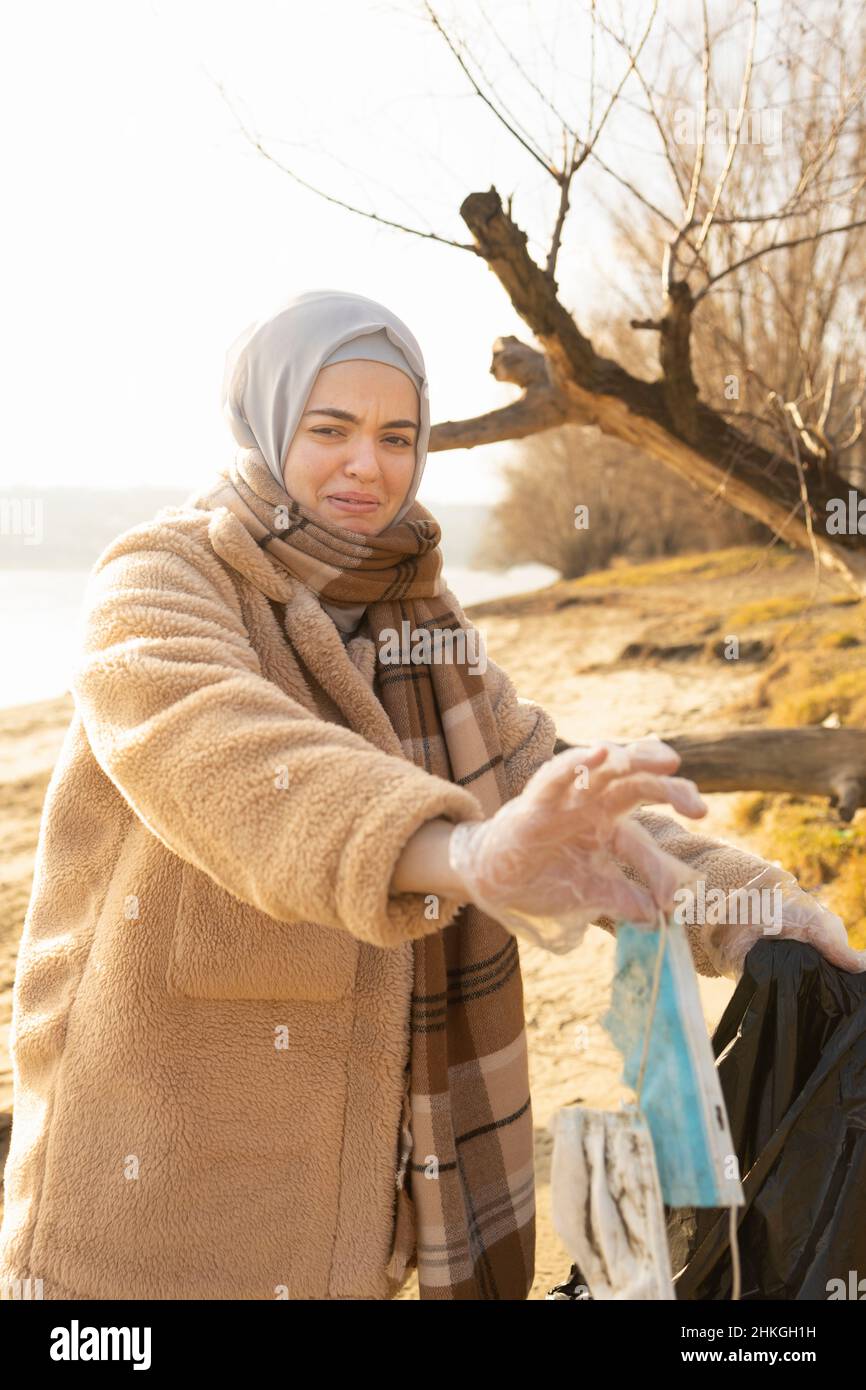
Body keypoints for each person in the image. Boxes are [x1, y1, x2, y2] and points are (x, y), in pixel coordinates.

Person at [0, 288, 861, 1303]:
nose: (368, 464)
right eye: (330, 429)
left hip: (353, 1217)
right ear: (264, 421)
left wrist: (749, 906)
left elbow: (547, 781)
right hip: (148, 1206)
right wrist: (460, 854)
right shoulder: (159, 577)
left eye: (396, 435)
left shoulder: (422, 616)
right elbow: (218, 754)